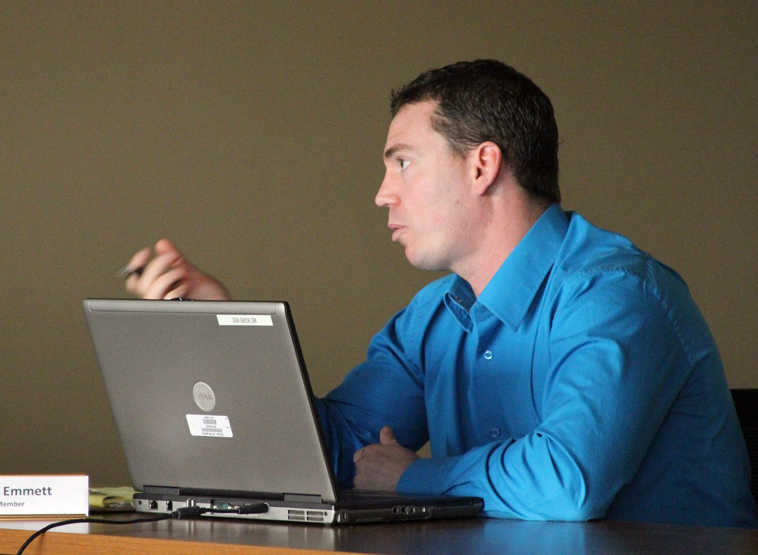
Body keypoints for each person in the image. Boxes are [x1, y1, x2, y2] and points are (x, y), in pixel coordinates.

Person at [122, 60, 757, 527]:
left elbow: (569, 482)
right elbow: (330, 455)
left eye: (402, 162)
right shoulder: (432, 317)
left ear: (482, 166)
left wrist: (415, 478)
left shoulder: (616, 294)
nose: (382, 193)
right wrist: (222, 333)